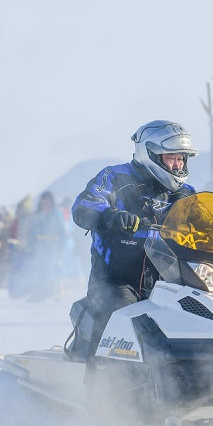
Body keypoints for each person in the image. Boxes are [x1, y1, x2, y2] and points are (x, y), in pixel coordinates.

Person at [70, 120, 197, 358]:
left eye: (182, 158)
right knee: (119, 316)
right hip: (115, 281)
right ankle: (98, 386)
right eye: (172, 157)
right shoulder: (115, 177)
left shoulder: (186, 193)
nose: (178, 164)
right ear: (151, 154)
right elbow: (83, 205)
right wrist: (110, 216)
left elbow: (206, 222)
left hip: (171, 284)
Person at [25, 190, 68, 301]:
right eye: (44, 201)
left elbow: (62, 232)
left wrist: (61, 247)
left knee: (53, 270)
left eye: (48, 201)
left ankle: (55, 293)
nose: (45, 203)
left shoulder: (56, 214)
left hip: (53, 246)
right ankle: (38, 293)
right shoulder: (37, 214)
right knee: (37, 270)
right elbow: (31, 231)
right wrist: (30, 245)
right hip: (39, 246)